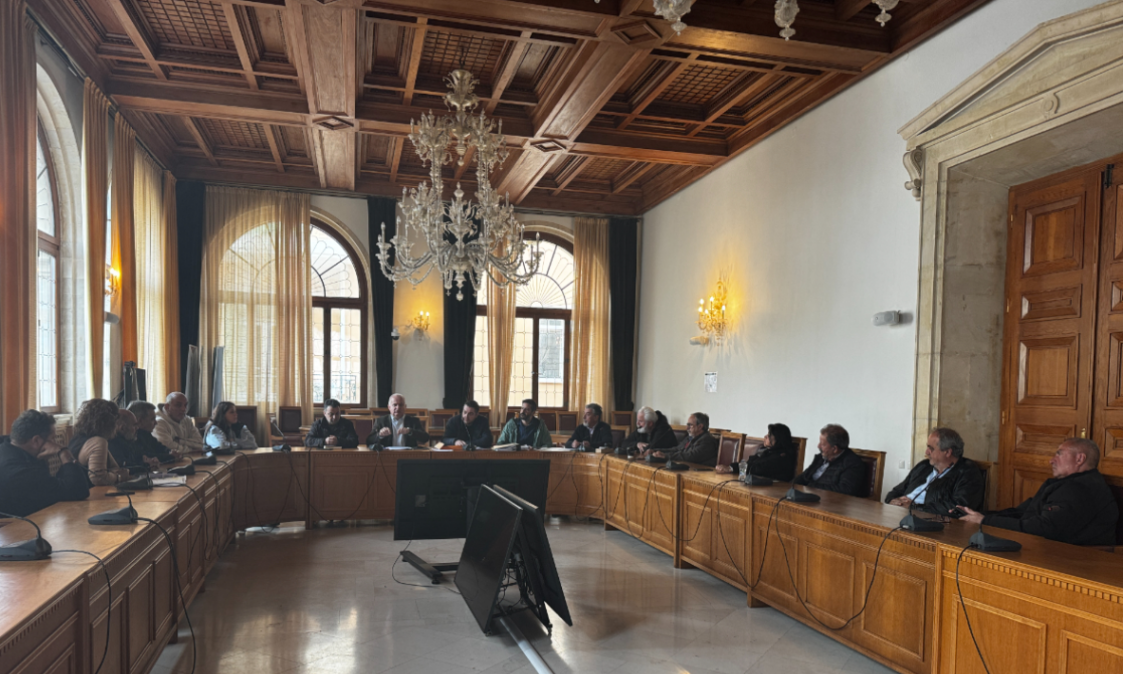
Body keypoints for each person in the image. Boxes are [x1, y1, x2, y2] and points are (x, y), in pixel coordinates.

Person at [957, 439, 1119, 546]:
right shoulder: (1065, 484)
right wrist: (978, 515)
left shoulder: (1080, 489)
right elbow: (1021, 513)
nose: (1051, 460)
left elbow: (1043, 528)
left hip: (1073, 561)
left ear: (1080, 459)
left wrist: (985, 521)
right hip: (1044, 548)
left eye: (1059, 454)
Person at [0, 410, 89, 517]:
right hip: (15, 526)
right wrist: (64, 452)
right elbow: (78, 491)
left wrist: (40, 460)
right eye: (52, 439)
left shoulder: (6, 448)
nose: (55, 444)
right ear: (36, 440)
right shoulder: (20, 471)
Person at [885, 427, 983, 517]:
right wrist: (894, 500)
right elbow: (895, 491)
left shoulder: (968, 473)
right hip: (900, 514)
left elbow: (957, 508)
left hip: (931, 521)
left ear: (947, 452)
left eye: (931, 448)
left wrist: (914, 507)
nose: (926, 452)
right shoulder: (924, 466)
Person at [793, 424, 866, 497]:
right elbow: (803, 477)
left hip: (831, 501)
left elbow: (845, 490)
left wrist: (811, 487)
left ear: (835, 449)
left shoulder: (852, 463)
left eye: (823, 444)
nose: (818, 446)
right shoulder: (820, 458)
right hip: (808, 496)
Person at [71, 398, 130, 486]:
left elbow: (115, 468)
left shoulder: (78, 438)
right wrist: (119, 477)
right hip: (88, 492)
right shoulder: (98, 442)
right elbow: (98, 478)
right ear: (109, 423)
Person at [717, 423, 799, 481]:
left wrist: (732, 468)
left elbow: (758, 469)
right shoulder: (767, 451)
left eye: (769, 435)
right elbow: (750, 463)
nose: (765, 437)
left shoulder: (783, 456)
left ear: (778, 438)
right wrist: (730, 468)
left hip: (774, 490)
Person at [646, 412, 719, 466]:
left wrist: (666, 456)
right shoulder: (690, 437)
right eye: (687, 425)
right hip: (689, 468)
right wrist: (655, 450)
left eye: (690, 425)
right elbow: (677, 449)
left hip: (701, 473)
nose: (687, 428)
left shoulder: (707, 440)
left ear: (700, 427)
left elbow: (690, 456)